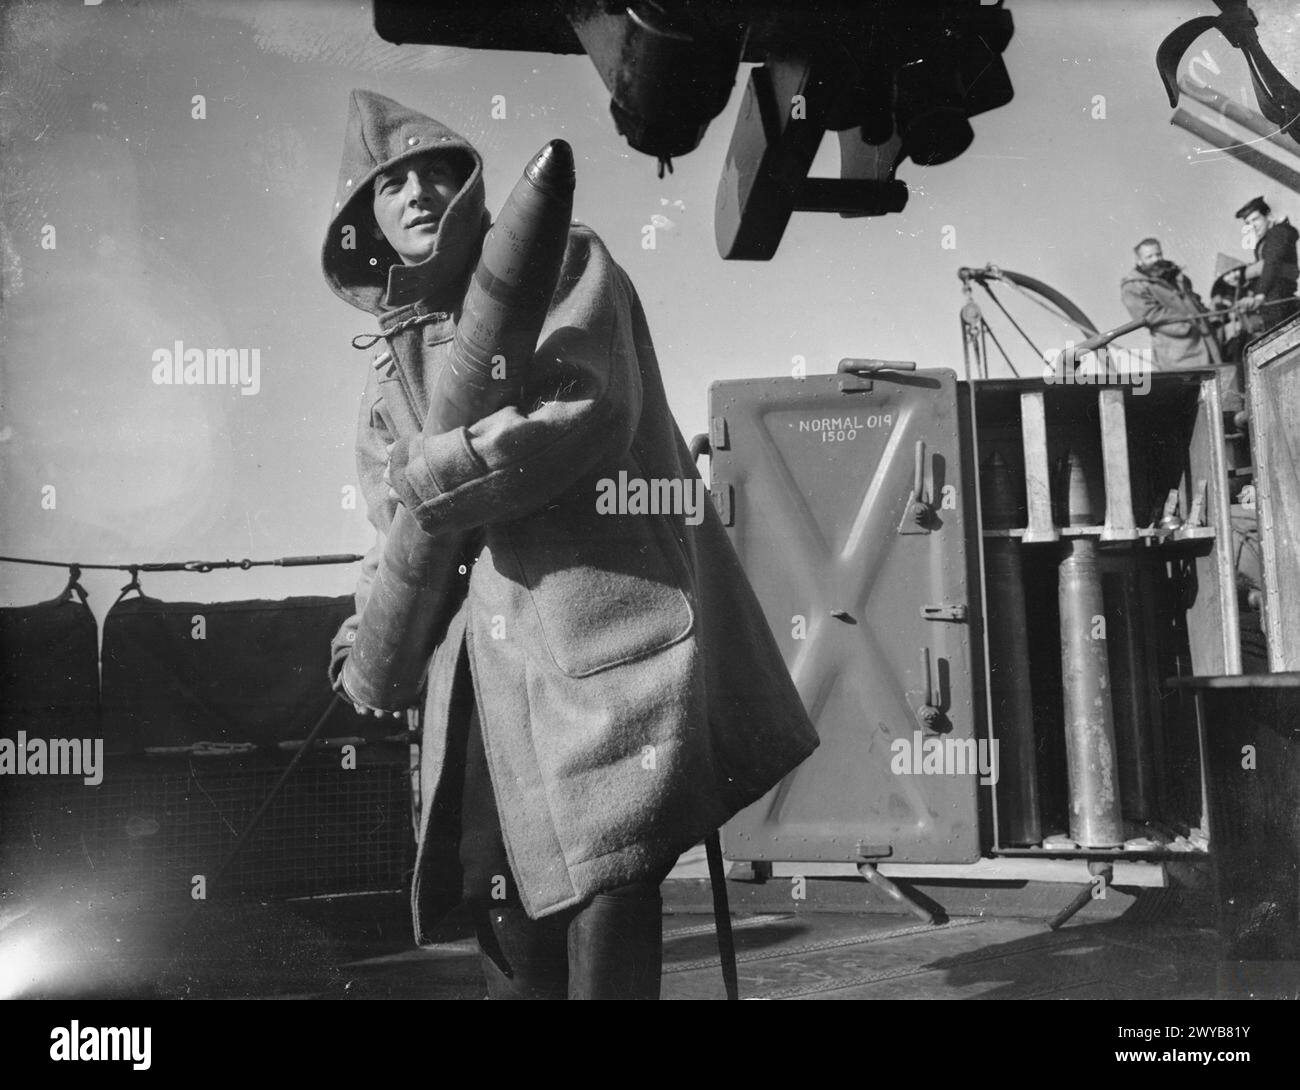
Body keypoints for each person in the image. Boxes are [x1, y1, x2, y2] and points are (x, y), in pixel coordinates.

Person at [321, 90, 819, 999]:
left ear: (473, 188)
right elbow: (386, 530)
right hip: (478, 680)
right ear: (369, 222)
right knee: (499, 894)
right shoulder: (385, 368)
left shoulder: (565, 261)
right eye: (391, 185)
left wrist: (433, 476)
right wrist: (367, 632)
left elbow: (584, 415)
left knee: (609, 875)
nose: (418, 193)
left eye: (437, 170)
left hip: (596, 640)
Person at [1119, 238, 1222, 370]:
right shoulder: (1133, 286)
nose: (1156, 259)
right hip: (1178, 350)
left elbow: (1195, 302)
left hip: (1206, 342)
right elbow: (1149, 315)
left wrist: (1211, 317)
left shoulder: (1177, 277)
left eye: (1158, 254)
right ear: (1139, 261)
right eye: (1149, 256)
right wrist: (1186, 326)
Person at [1226, 196, 1300, 326]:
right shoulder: (1266, 240)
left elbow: (1271, 263)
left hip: (1278, 299)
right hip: (1271, 299)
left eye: (1255, 219)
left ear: (1268, 216)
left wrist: (1260, 294)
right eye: (1248, 223)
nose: (1252, 226)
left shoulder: (1278, 233)